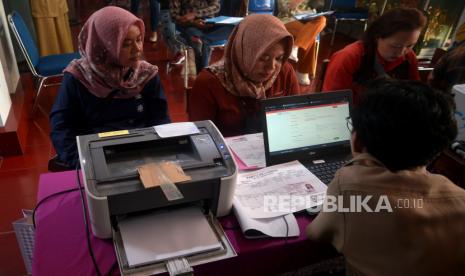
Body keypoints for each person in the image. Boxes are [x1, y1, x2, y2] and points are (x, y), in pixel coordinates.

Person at [307, 79, 465, 275]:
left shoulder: (348, 186)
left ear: (357, 143)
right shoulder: (460, 199)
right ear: (438, 149)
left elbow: (316, 234)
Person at [50, 6, 170, 169]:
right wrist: (82, 163)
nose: (138, 49)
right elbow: (62, 129)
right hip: (96, 156)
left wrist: (162, 152)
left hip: (143, 153)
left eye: (139, 39)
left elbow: (160, 119)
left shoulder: (146, 75)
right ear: (104, 46)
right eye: (126, 44)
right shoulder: (78, 78)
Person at [188, 14, 301, 137]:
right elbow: (202, 139)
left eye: (279, 58)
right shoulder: (209, 82)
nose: (271, 68)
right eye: (263, 58)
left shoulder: (284, 72)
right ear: (244, 50)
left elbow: (294, 121)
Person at [322, 8, 426, 104]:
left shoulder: (409, 58)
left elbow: (414, 96)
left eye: (410, 46)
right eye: (395, 46)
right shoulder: (349, 57)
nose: (401, 53)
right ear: (377, 37)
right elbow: (334, 103)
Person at [169, 0, 235, 73]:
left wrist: (195, 14)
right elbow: (174, 17)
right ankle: (203, 72)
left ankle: (205, 41)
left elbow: (216, 6)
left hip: (210, 23)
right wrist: (193, 23)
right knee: (194, 35)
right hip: (189, 25)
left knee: (233, 28)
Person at [276, 0, 326, 85]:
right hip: (288, 20)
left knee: (322, 19)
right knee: (310, 36)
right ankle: (302, 72)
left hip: (307, 20)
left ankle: (295, 46)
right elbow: (282, 8)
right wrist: (293, 3)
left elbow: (319, 4)